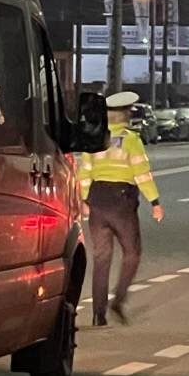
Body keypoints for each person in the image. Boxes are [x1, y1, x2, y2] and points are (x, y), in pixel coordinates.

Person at [78, 91, 164, 326]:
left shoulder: (94, 138)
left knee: (101, 257)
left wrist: (84, 201)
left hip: (97, 200)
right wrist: (154, 202)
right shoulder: (130, 140)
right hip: (121, 202)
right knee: (132, 252)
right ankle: (119, 300)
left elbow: (84, 171)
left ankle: (98, 314)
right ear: (125, 115)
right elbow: (141, 173)